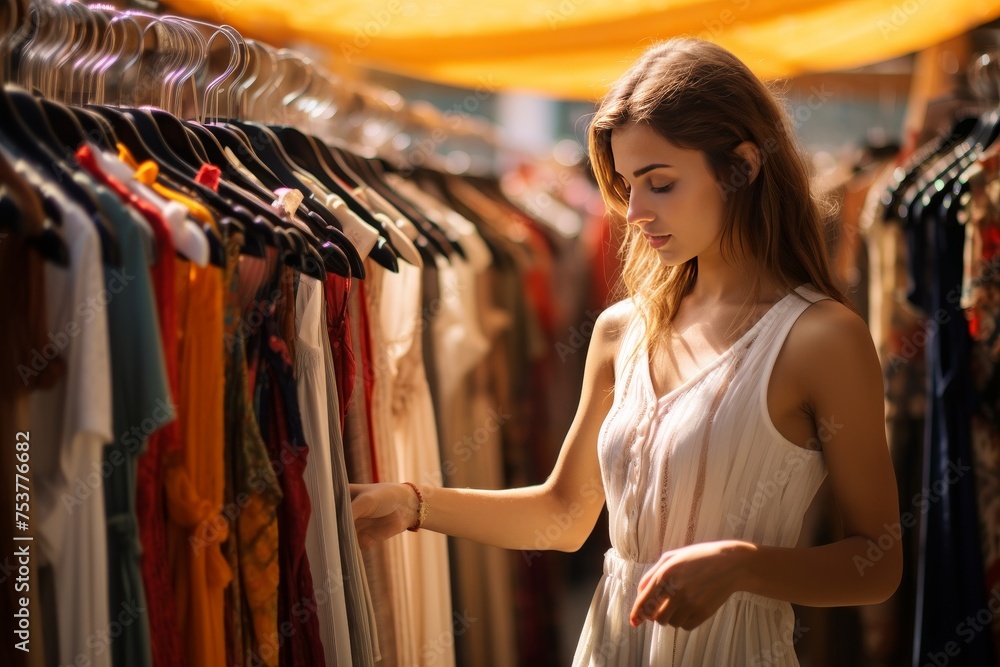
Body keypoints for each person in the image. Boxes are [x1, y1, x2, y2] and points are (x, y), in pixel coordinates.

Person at [350, 37, 902, 666]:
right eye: (626, 184)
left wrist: (746, 566)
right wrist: (413, 503)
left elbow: (877, 563)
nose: (634, 211)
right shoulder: (622, 329)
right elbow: (563, 515)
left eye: (660, 183)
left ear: (743, 167)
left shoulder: (821, 338)